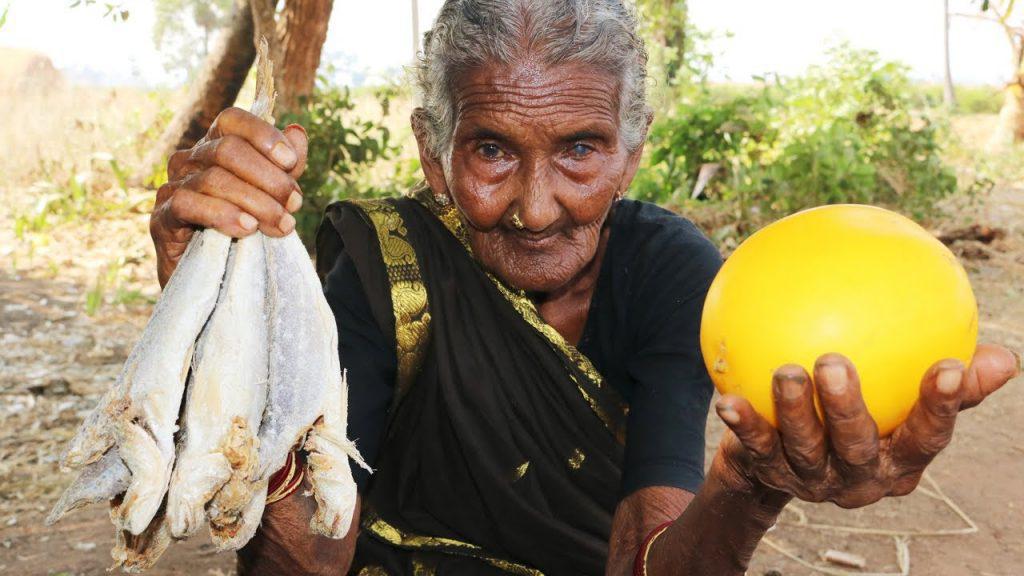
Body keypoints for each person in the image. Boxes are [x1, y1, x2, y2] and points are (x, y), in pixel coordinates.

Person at [148, 1, 1021, 574]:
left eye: (580, 151)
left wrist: (752, 484)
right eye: (491, 150)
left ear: (631, 153)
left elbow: (648, 551)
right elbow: (308, 561)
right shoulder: (386, 263)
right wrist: (229, 355)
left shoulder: (673, 273)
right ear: (433, 153)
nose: (536, 209)